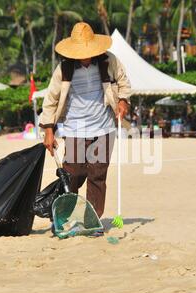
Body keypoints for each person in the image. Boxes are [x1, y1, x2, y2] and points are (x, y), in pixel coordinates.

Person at [40, 22, 131, 218]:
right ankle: (64, 216)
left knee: (97, 175)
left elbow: (123, 82)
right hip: (75, 129)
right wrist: (48, 130)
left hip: (104, 128)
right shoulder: (64, 68)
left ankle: (92, 219)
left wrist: (123, 101)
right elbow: (51, 99)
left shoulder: (108, 61)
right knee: (73, 174)